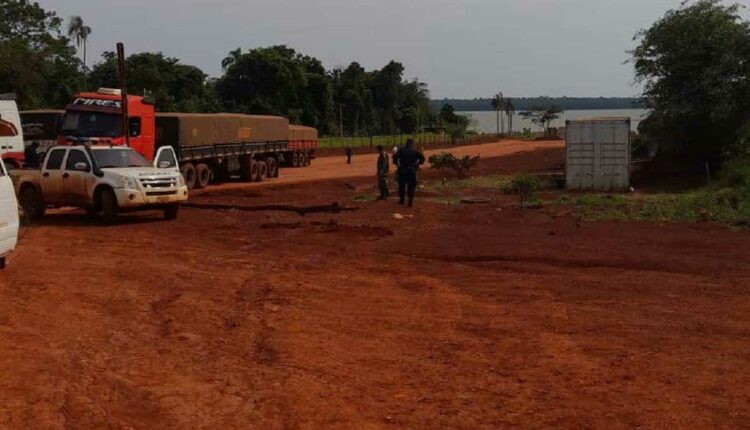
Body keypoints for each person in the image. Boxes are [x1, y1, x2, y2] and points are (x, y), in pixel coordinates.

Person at [393, 139, 425, 207]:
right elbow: (422, 158)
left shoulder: (401, 150)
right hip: (411, 170)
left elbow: (395, 157)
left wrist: (397, 164)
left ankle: (402, 200)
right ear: (412, 144)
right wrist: (417, 164)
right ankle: (410, 202)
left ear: (406, 143)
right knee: (411, 187)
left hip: (402, 170)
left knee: (401, 186)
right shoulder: (414, 151)